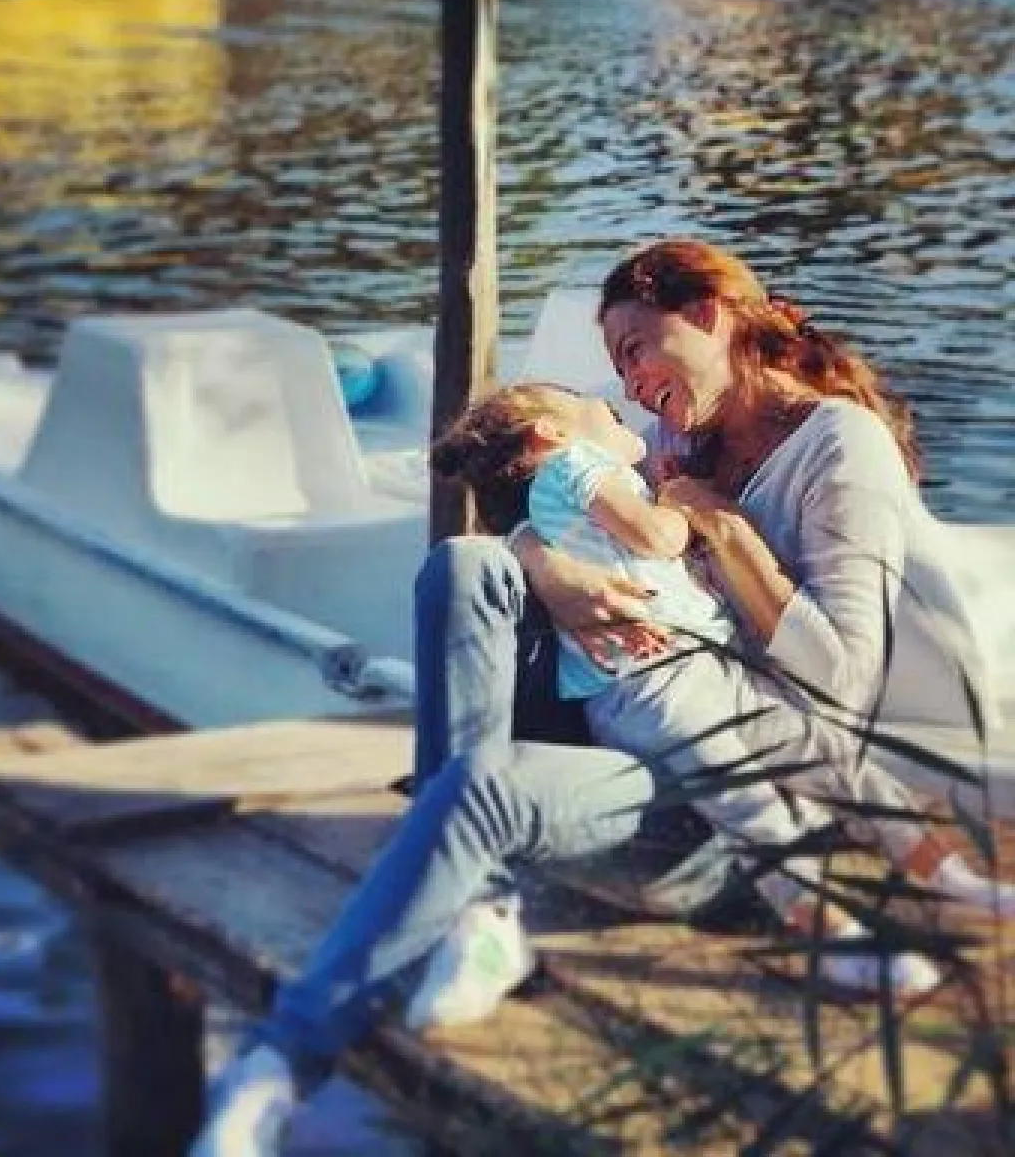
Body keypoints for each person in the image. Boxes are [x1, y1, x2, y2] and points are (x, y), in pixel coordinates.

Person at [189, 239, 1009, 1157]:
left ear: (710, 315)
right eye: (617, 366)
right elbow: (559, 509)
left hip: (726, 805)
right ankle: (482, 911)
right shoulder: (673, 439)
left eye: (636, 349)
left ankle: (278, 1064)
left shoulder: (838, 447)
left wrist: (725, 529)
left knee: (479, 792)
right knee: (466, 565)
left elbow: (843, 688)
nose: (628, 382)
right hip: (625, 726)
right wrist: (548, 566)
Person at [429, 379, 1011, 960]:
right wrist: (687, 501)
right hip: (653, 684)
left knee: (821, 766)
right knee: (759, 801)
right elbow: (658, 537)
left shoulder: (584, 499)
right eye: (603, 408)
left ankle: (944, 885)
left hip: (698, 671)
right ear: (551, 433)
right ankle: (845, 937)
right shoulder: (575, 467)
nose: (620, 409)